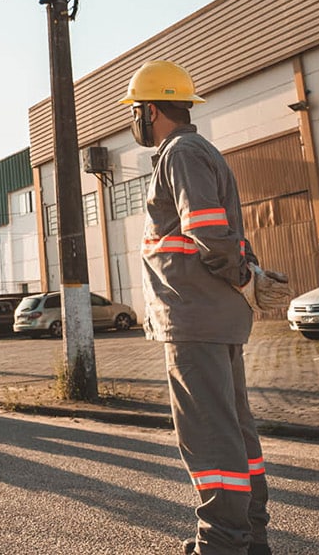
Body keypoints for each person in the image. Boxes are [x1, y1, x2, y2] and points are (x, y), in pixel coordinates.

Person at [120, 60, 270, 555]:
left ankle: (222, 544)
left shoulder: (179, 153)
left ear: (152, 110)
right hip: (214, 316)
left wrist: (243, 277)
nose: (135, 121)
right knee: (234, 429)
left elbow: (205, 228)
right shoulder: (198, 151)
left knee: (208, 435)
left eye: (137, 111)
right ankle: (248, 538)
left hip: (194, 316)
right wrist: (243, 280)